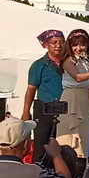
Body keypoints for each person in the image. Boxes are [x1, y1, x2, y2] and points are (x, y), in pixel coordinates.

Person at [21, 29, 66, 163]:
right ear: (46, 45)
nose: (58, 45)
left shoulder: (69, 64)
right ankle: (39, 172)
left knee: (64, 146)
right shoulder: (38, 65)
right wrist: (26, 111)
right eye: (54, 42)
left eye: (61, 42)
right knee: (42, 146)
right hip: (44, 109)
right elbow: (31, 89)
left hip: (66, 109)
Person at [59, 29, 89, 160]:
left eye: (82, 44)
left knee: (83, 137)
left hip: (84, 99)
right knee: (69, 137)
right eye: (75, 45)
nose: (78, 48)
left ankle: (81, 164)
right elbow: (77, 77)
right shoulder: (68, 60)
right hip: (70, 98)